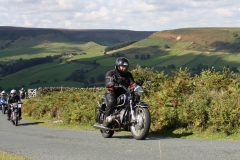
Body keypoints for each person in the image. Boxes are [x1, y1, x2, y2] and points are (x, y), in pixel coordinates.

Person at [103, 57, 135, 127]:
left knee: (133, 100)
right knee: (112, 101)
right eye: (122, 67)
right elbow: (108, 82)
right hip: (112, 93)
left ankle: (128, 120)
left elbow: (132, 83)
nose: (124, 68)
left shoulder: (128, 75)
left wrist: (136, 86)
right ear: (118, 66)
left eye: (126, 67)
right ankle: (106, 119)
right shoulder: (111, 73)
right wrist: (111, 83)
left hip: (124, 93)